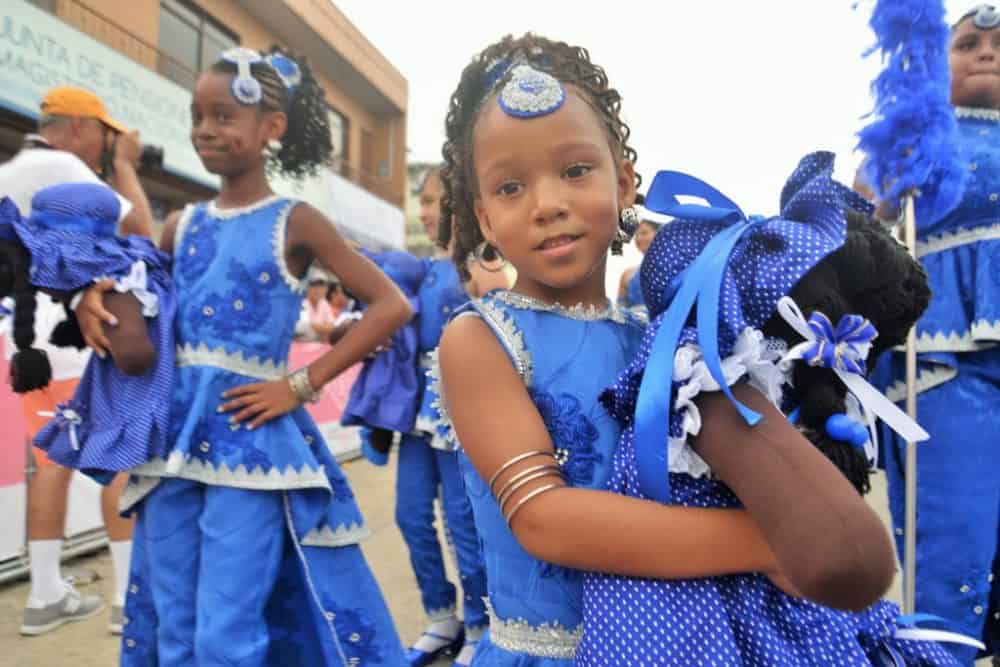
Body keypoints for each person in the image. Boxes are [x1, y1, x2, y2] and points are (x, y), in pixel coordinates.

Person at [437, 34, 816, 666]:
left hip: (691, 643)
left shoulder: (662, 337)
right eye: (510, 188)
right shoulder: (479, 339)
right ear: (482, 217)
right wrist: (771, 540)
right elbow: (542, 518)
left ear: (626, 182)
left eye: (575, 170)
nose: (548, 204)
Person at [76, 46, 411, 666]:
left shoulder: (298, 222)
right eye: (198, 115)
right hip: (171, 447)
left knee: (227, 634)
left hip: (251, 444)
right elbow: (136, 299)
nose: (206, 130)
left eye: (225, 116)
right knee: (171, 627)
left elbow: (390, 304)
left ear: (271, 128)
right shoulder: (181, 225)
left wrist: (300, 385)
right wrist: (92, 300)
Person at [578, 153, 967, 666]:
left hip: (771, 586)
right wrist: (798, 535)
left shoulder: (720, 367)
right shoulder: (706, 372)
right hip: (693, 610)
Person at [858, 6, 1000, 663]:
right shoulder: (912, 140)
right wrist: (886, 184)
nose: (986, 52)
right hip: (945, 362)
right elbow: (859, 220)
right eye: (967, 42)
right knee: (953, 539)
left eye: (999, 43)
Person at [0, 85, 155, 636]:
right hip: (76, 333)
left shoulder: (16, 169)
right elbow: (139, 228)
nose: (104, 144)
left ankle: (44, 594)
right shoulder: (63, 163)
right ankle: (126, 600)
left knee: (52, 463)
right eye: (104, 134)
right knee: (118, 456)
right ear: (81, 127)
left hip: (25, 341)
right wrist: (124, 165)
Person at [383, 166, 507, 667]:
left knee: (464, 521)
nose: (424, 210)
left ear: (457, 202)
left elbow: (503, 322)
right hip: (417, 414)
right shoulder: (422, 267)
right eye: (422, 201)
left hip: (463, 407)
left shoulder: (485, 260)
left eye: (432, 200)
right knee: (410, 516)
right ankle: (441, 616)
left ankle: (479, 624)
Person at [614, 196, 658, 309]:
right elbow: (620, 311)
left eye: (644, 233)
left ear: (658, 233)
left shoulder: (675, 269)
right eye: (636, 235)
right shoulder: (627, 275)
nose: (638, 238)